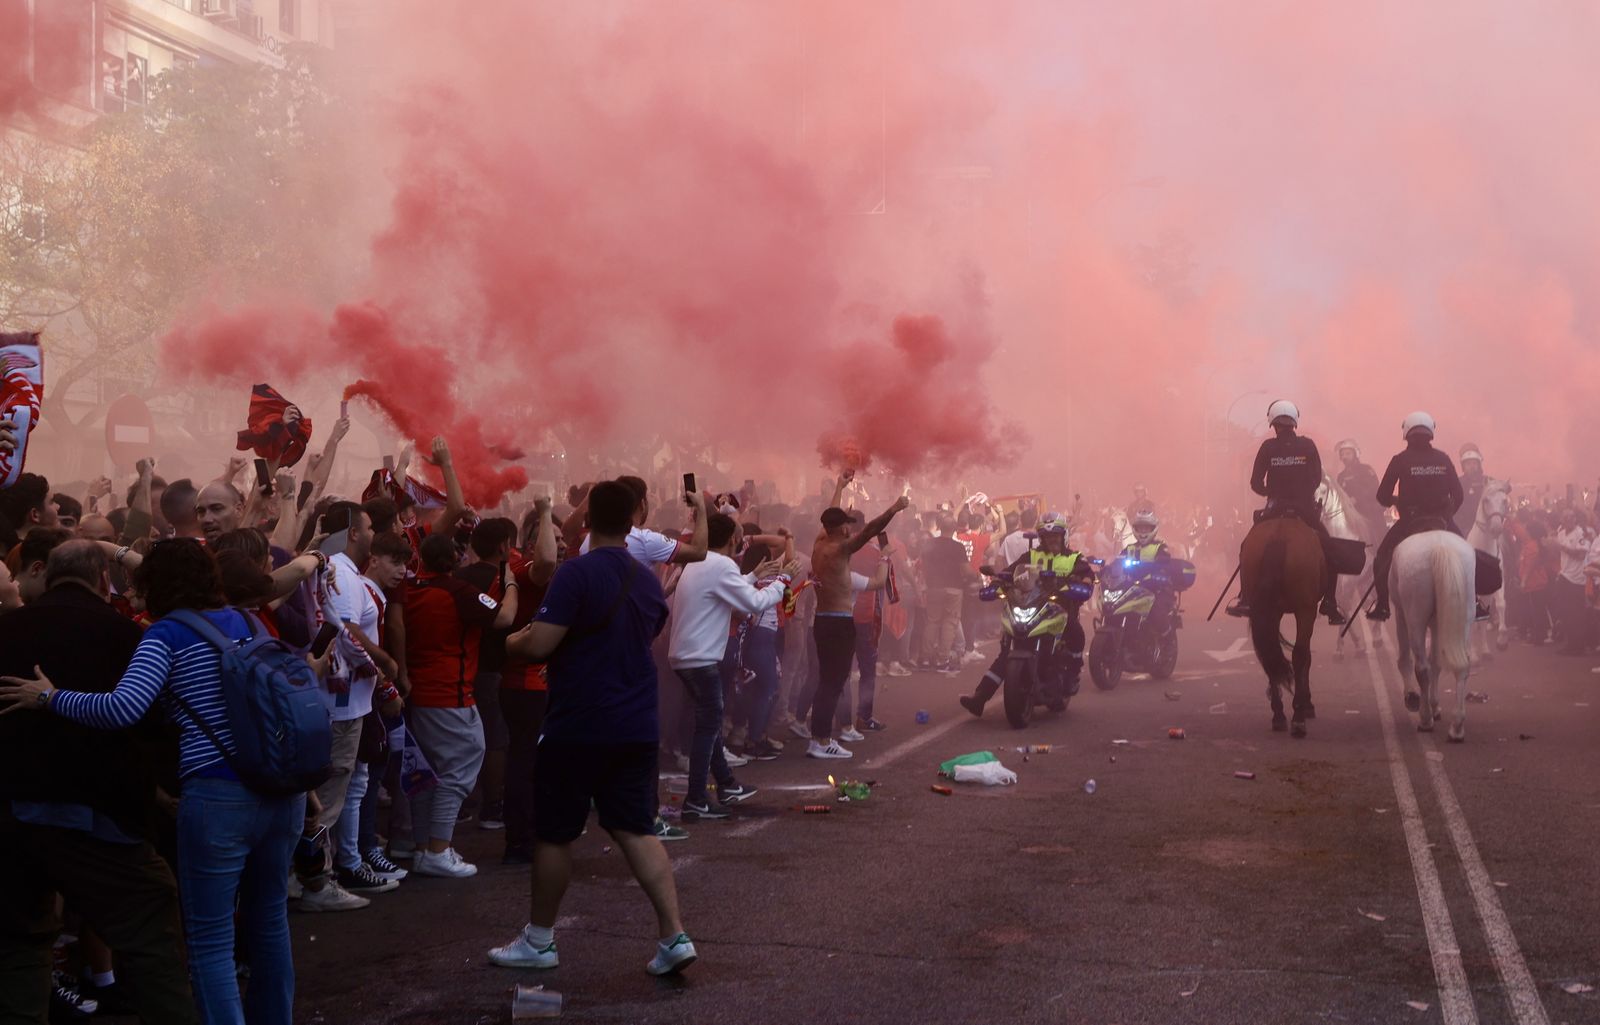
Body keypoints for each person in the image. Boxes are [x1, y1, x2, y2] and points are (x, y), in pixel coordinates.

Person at [0, 539, 306, 1025]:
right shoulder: (247, 621)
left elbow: (123, 707)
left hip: (217, 798)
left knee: (209, 941)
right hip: (277, 792)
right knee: (268, 922)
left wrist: (50, 698)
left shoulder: (163, 636)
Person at [489, 480, 696, 976]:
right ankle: (673, 935)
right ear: (633, 521)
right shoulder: (647, 579)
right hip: (636, 722)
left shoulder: (576, 574)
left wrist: (513, 644)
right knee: (635, 828)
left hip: (579, 723)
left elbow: (540, 644)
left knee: (556, 833)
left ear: (585, 521)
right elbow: (647, 631)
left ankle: (539, 941)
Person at [0, 542, 199, 1025]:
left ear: (48, 578)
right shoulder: (125, 636)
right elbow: (151, 725)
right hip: (102, 819)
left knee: (21, 945)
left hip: (12, 819)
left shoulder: (5, 631)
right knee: (152, 931)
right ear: (103, 580)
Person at [402, 532, 517, 878]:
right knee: (459, 769)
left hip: (418, 695)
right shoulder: (458, 593)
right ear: (454, 559)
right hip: (450, 695)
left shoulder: (410, 591)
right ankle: (438, 849)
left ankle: (424, 848)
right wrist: (510, 585)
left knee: (427, 774)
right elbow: (504, 618)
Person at [667, 512, 789, 819]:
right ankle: (696, 799)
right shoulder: (720, 564)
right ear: (733, 540)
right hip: (700, 657)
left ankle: (726, 784)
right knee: (708, 727)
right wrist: (782, 580)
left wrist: (752, 576)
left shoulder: (701, 562)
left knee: (707, 722)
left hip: (688, 654)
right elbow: (755, 603)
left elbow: (722, 590)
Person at [808, 472, 908, 760]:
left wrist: (839, 486)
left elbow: (830, 515)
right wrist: (894, 508)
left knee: (828, 681)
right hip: (838, 622)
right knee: (833, 683)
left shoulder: (819, 543)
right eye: (846, 525)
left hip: (823, 619)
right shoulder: (840, 548)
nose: (851, 530)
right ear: (839, 529)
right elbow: (872, 529)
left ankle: (819, 737)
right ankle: (821, 740)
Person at [959, 511, 1095, 717]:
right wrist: (997, 583)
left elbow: (1087, 576)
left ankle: (1072, 674)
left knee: (1076, 633)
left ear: (1063, 536)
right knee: (1006, 653)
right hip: (1032, 607)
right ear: (1042, 538)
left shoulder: (1074, 558)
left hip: (1060, 611)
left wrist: (1083, 586)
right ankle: (980, 697)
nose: (1052, 540)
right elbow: (1010, 572)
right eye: (1048, 537)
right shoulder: (1031, 555)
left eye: (1055, 536)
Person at [1227, 400, 1345, 624]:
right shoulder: (1308, 445)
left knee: (1246, 547)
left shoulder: (1267, 448)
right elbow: (1315, 478)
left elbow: (1255, 483)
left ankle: (1246, 597)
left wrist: (1270, 491)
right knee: (1330, 549)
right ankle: (1329, 601)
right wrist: (1302, 493)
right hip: (1304, 508)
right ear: (1294, 422)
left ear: (1273, 423)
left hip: (1275, 507)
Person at [1366, 412, 1468, 622]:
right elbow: (1458, 495)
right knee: (1468, 556)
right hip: (1442, 521)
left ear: (1407, 434)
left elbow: (1381, 496)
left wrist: (1395, 501)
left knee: (1381, 558)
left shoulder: (1400, 460)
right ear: (1431, 432)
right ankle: (1473, 600)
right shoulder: (1443, 458)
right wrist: (1447, 516)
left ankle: (1383, 606)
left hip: (1409, 522)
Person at [1334, 439, 1385, 541]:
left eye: (1348, 453)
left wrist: (1356, 499)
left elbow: (1373, 488)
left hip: (1370, 512)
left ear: (1356, 454)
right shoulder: (1341, 477)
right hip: (1350, 514)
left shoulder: (1366, 470)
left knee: (1381, 537)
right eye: (1342, 454)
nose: (1344, 457)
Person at [1455, 443, 1487, 535]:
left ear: (1479, 465)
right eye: (1468, 464)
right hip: (1463, 528)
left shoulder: (1487, 481)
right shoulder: (1457, 483)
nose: (1472, 466)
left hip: (1486, 527)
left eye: (1474, 463)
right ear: (1463, 466)